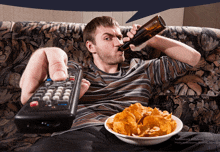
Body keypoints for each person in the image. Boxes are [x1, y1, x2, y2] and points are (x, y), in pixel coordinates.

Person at [20, 16, 220, 151]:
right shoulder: (75, 70)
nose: (117, 42)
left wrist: (150, 37)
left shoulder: (141, 68)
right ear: (91, 46)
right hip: (88, 135)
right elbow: (38, 93)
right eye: (108, 38)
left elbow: (192, 59)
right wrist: (42, 57)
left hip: (140, 139)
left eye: (118, 36)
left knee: (214, 143)